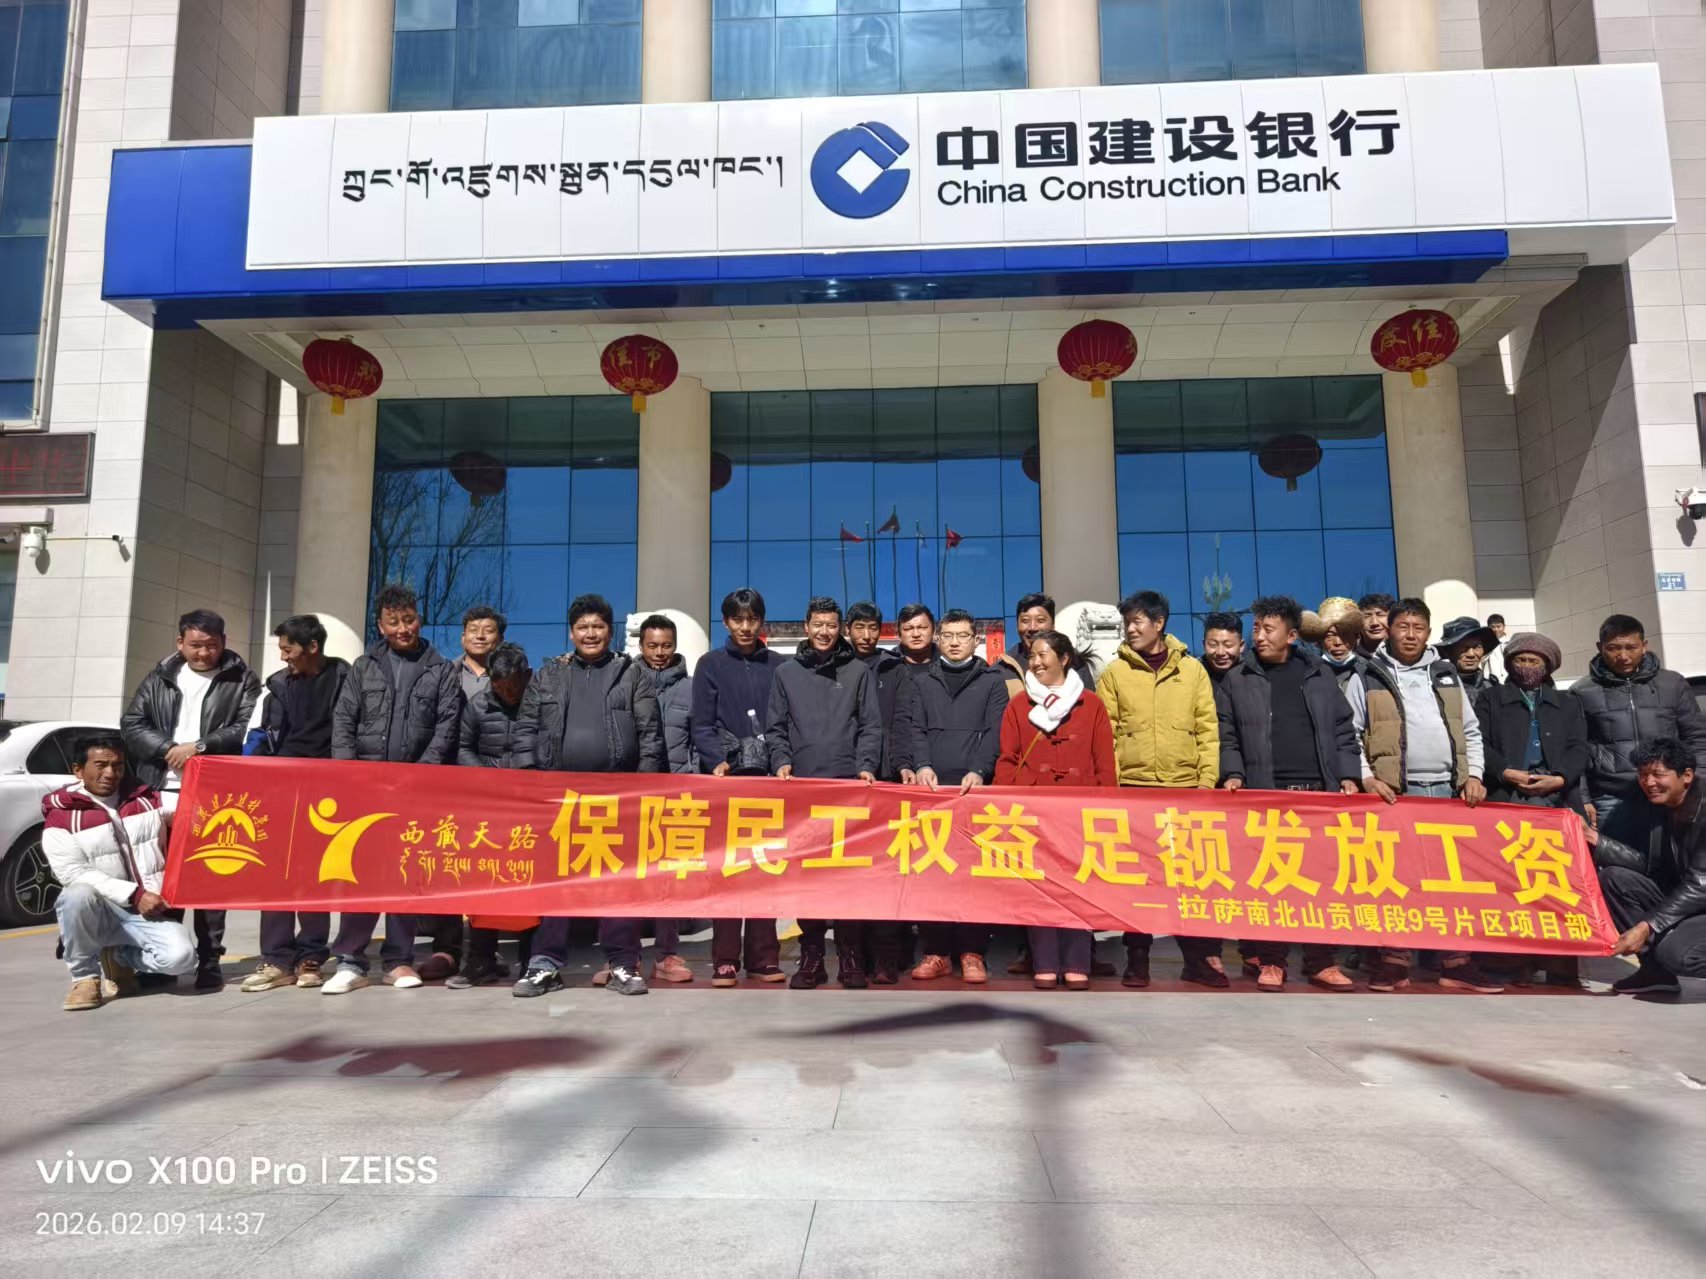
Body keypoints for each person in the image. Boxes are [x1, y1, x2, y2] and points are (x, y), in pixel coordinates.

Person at [515, 593, 666, 999]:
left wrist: (643, 790)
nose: (590, 633)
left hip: (617, 797)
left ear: (609, 630)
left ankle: (622, 963)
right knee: (556, 883)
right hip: (558, 798)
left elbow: (651, 736)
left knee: (617, 885)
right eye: (583, 627)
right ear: (571, 632)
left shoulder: (631, 675)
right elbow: (525, 731)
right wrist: (531, 783)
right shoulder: (549, 675)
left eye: (598, 626)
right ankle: (544, 964)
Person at [1347, 597, 1494, 993]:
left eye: (1418, 628)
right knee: (1396, 881)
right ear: (1389, 630)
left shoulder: (1446, 674)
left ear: (1428, 633)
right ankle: (1394, 961)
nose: (1410, 635)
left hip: (1447, 792)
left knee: (1449, 883)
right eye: (1403, 627)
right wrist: (1367, 778)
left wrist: (1474, 775)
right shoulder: (1367, 674)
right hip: (1395, 795)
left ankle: (1457, 963)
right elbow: (1350, 734)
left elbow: (1470, 730)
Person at [1218, 596, 1362, 992]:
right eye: (1256, 629)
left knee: (1320, 885)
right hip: (1267, 796)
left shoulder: (1318, 674)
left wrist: (1348, 776)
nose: (1259, 637)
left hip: (1318, 796)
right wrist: (1233, 773)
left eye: (1268, 629)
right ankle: (1272, 961)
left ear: (1292, 635)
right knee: (1271, 884)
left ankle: (1321, 961)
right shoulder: (1238, 677)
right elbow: (1227, 735)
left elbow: (1343, 731)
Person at [326, 583, 463, 994]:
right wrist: (349, 775)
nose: (403, 628)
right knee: (361, 874)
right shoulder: (363, 667)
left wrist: (421, 775)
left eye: (409, 619)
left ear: (419, 619)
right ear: (380, 625)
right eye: (393, 622)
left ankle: (399, 960)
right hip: (366, 790)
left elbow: (446, 726)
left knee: (406, 874)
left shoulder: (441, 669)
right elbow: (344, 722)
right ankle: (350, 961)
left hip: (415, 790)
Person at [120, 607, 261, 991]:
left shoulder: (241, 679)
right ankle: (165, 960)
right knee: (163, 878)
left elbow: (247, 727)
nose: (203, 653)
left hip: (213, 795)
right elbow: (132, 724)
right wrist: (168, 749)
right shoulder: (160, 677)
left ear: (224, 643)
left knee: (211, 878)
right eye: (196, 645)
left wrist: (198, 747)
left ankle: (210, 960)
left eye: (211, 645)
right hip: (159, 790)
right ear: (180, 642)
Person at [1096, 590, 1225, 989]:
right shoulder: (1115, 673)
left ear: (1159, 623)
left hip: (1184, 790)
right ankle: (1137, 959)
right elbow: (1107, 737)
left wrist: (1206, 784)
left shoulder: (1192, 670)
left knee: (1190, 880)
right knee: (1138, 881)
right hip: (1134, 791)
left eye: (1137, 621)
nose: (1130, 629)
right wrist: (1113, 789)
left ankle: (1198, 960)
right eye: (1127, 623)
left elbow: (1207, 731)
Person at [768, 596, 883, 989]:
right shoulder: (786, 673)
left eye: (831, 625)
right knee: (808, 877)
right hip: (802, 789)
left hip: (848, 788)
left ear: (840, 629)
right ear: (806, 626)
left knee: (848, 877)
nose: (824, 631)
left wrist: (866, 765)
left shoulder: (857, 671)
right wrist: (781, 761)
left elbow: (871, 725)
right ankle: (812, 956)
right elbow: (776, 727)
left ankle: (850, 956)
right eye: (818, 624)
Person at [995, 631, 1116, 989]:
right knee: (1040, 887)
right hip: (1033, 811)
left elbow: (1104, 762)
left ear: (1064, 658)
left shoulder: (1091, 705)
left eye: (1043, 655)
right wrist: (1010, 804)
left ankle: (1077, 961)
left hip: (1081, 810)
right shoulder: (1019, 705)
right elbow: (1007, 760)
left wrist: (1108, 806)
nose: (1035, 662)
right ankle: (1045, 961)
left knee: (1079, 884)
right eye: (1032, 656)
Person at [239, 614, 352, 992]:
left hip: (327, 794)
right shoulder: (276, 687)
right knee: (277, 876)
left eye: (288, 649)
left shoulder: (347, 681)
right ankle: (275, 958)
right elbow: (258, 738)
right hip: (280, 792)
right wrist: (251, 773)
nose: (283, 656)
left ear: (312, 647)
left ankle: (311, 955)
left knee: (314, 876)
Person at [44, 734, 196, 1010]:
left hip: (144, 914)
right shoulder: (61, 816)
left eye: (118, 765)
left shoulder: (148, 799)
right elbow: (72, 872)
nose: (110, 773)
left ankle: (120, 957)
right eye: (100, 765)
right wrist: (135, 894)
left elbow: (198, 811)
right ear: (78, 770)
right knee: (75, 895)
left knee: (183, 959)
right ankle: (84, 979)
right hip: (102, 910)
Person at [1479, 630, 1590, 989]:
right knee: (1509, 883)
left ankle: (1560, 963)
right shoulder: (1491, 699)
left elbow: (1579, 747)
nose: (1526, 666)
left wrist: (1560, 778)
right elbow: (1478, 742)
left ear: (1548, 666)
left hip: (1555, 797)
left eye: (1534, 660)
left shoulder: (1567, 702)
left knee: (1558, 882)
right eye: (1520, 660)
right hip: (1508, 795)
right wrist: (1503, 771)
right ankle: (1511, 961)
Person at [907, 608, 1009, 985]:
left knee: (972, 876)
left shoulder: (992, 681)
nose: (954, 642)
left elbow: (996, 731)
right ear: (938, 639)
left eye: (962, 635)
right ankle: (936, 952)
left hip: (974, 792)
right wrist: (921, 765)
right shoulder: (923, 681)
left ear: (975, 640)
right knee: (932, 872)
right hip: (932, 792)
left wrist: (980, 770)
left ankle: (972, 952)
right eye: (948, 635)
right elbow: (916, 729)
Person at [691, 587, 787, 988]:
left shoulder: (780, 666)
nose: (745, 627)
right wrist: (717, 760)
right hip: (727, 780)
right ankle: (726, 959)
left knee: (765, 867)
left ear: (761, 621)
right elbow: (701, 723)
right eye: (737, 619)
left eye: (752, 619)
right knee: (728, 869)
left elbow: (786, 720)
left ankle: (764, 958)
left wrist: (782, 761)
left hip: (769, 781)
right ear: (726, 621)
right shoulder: (710, 664)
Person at [1572, 613, 1706, 845]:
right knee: (1615, 860)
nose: (1623, 656)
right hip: (1612, 796)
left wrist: (1697, 784)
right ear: (1600, 647)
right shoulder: (1582, 691)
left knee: (1677, 858)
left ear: (1644, 646)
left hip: (1669, 792)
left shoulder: (1672, 683)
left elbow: (1696, 738)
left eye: (1631, 647)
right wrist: (1583, 798)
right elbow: (1576, 749)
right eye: (1613, 648)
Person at [1590, 737, 1706, 995]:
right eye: (1643, 775)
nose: (1649, 782)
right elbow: (1651, 865)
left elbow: (1701, 884)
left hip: (1699, 895)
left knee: (1678, 954)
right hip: (1689, 900)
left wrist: (1646, 927)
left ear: (1686, 775)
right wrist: (1599, 843)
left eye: (1658, 774)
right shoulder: (1657, 805)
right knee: (1613, 879)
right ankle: (1655, 973)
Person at [451, 642, 534, 988]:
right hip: (489, 808)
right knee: (484, 885)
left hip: (530, 808)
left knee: (533, 887)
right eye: (501, 688)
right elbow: (462, 748)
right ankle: (480, 961)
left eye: (514, 687)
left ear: (526, 676)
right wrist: (487, 777)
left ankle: (532, 962)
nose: (508, 694)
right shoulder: (478, 705)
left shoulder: (541, 703)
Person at [847, 600, 918, 984]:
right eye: (859, 627)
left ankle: (889, 957)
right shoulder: (838, 666)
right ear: (848, 630)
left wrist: (903, 762)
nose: (866, 635)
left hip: (888, 780)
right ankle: (855, 956)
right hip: (850, 782)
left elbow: (903, 720)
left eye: (873, 627)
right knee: (853, 873)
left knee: (890, 871)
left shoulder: (894, 669)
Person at [637, 613, 695, 983]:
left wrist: (694, 777)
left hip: (676, 793)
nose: (660, 653)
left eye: (666, 646)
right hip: (633, 794)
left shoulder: (691, 687)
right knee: (626, 878)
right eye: (652, 646)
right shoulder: (624, 681)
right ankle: (621, 957)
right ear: (641, 646)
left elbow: (699, 736)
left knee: (668, 880)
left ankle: (666, 955)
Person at [996, 592, 1057, 699]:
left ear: (1053, 625)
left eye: (1040, 620)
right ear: (1017, 625)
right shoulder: (1001, 669)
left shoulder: (1074, 663)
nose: (1033, 627)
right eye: (1025, 620)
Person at [1438, 616, 1500, 710]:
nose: (1471, 654)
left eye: (1477, 647)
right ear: (1449, 651)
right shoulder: (1437, 687)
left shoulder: (1491, 688)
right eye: (1463, 647)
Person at [1302, 597, 1363, 690]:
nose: (1337, 642)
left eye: (1345, 635)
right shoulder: (1306, 675)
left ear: (1356, 638)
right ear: (1319, 641)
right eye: (1330, 636)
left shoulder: (1370, 672)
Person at [457, 605, 506, 702]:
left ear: (501, 640)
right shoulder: (444, 673)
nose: (480, 636)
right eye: (473, 630)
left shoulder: (514, 676)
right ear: (463, 638)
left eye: (488, 631)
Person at [1200, 611, 1244, 685]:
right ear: (1204, 645)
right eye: (1213, 645)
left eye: (1228, 645)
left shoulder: (1252, 673)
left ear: (1241, 646)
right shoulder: (1193, 672)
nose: (1220, 652)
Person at [895, 602, 938, 667]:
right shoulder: (886, 664)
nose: (916, 634)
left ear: (934, 630)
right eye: (908, 628)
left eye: (922, 627)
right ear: (898, 633)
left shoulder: (948, 661)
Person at [1357, 592, 1396, 659]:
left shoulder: (1406, 654)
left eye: (1380, 615)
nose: (1374, 623)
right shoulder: (1349, 657)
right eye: (1367, 616)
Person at [1484, 613, 1509, 683]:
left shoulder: (1510, 642)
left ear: (1504, 626)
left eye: (1498, 626)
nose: (1496, 629)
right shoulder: (1485, 643)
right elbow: (1482, 660)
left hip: (1508, 680)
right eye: (1492, 627)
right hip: (1491, 682)